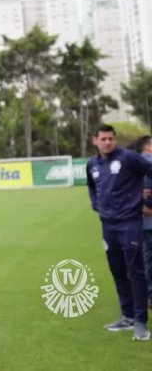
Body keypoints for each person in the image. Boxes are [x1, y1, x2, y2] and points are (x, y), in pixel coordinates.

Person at [87, 124, 152, 341]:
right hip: (108, 225)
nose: (107, 142)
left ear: (115, 140)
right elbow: (92, 187)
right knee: (118, 271)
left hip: (129, 223)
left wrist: (147, 201)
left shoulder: (128, 158)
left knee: (136, 272)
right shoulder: (92, 164)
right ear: (95, 141)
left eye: (111, 139)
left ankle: (141, 323)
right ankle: (128, 316)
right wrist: (96, 205)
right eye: (103, 139)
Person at [133, 135, 152, 309]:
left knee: (147, 259)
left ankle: (148, 295)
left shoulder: (136, 164)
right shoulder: (147, 164)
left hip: (144, 221)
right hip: (148, 218)